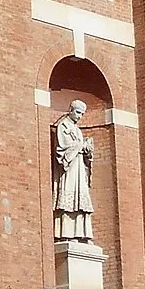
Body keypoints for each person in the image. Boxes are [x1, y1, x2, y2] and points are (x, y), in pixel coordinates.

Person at [52, 100, 94, 242]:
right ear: (70, 110)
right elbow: (62, 148)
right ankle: (66, 234)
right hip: (69, 169)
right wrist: (80, 146)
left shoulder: (77, 130)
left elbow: (79, 147)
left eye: (82, 114)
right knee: (68, 199)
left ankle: (80, 233)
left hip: (79, 167)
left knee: (80, 200)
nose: (79, 116)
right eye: (77, 112)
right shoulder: (63, 125)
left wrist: (87, 149)